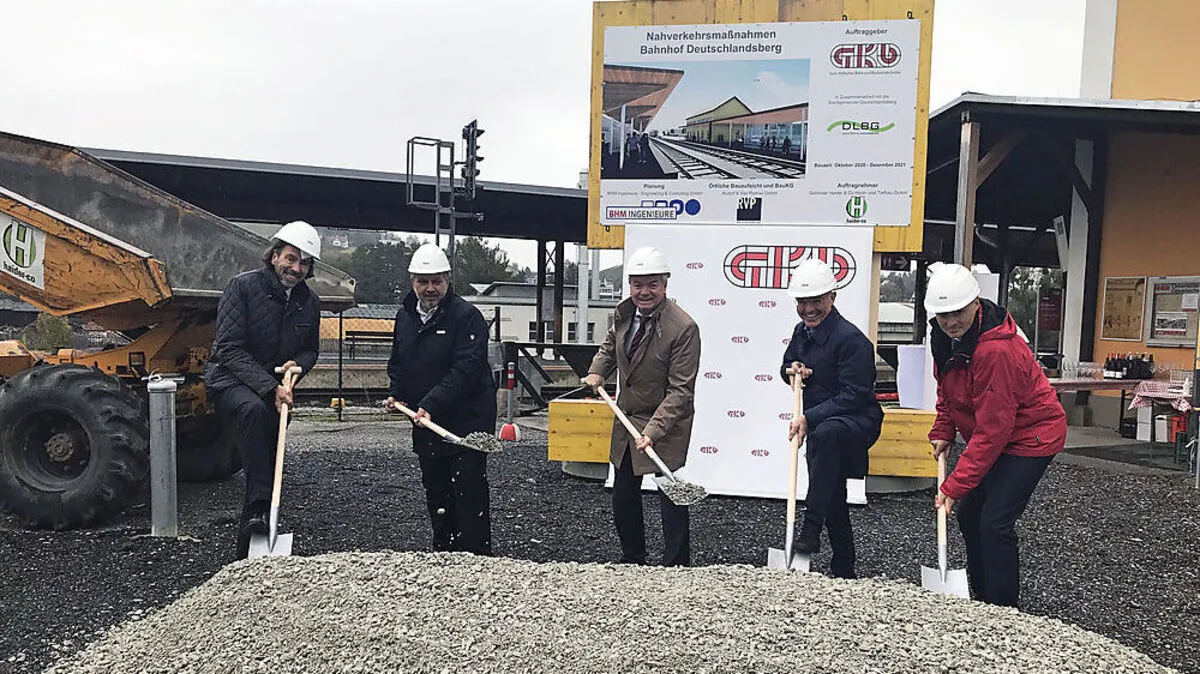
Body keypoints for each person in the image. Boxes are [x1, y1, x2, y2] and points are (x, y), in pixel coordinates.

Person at [925, 262, 1065, 609]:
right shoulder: (944, 338)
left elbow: (993, 431)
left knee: (994, 522)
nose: (950, 322)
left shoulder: (996, 350)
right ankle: (982, 599)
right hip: (997, 434)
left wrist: (953, 486)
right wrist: (944, 428)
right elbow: (948, 390)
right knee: (969, 516)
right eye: (943, 315)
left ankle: (1004, 608)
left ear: (976, 303)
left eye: (957, 312)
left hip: (1032, 436)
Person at [204, 220, 323, 559]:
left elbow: (311, 349)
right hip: (230, 378)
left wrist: (297, 366)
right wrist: (271, 388)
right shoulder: (242, 287)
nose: (296, 268)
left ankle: (251, 544)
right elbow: (229, 349)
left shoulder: (309, 301)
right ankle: (258, 508)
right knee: (255, 412)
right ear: (274, 256)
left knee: (267, 457)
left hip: (275, 387)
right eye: (291, 258)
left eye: (304, 263)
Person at [582, 246, 701, 567]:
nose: (644, 292)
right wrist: (597, 370)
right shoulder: (624, 313)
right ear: (630, 286)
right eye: (638, 285)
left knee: (670, 491)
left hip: (666, 420)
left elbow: (680, 391)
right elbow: (610, 346)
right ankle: (632, 558)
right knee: (623, 493)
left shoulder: (683, 328)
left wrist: (653, 431)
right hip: (627, 416)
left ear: (665, 284)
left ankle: (676, 564)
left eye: (652, 284)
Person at [385, 243, 496, 555]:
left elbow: (467, 369)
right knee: (437, 492)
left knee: (468, 493)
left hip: (467, 423)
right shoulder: (405, 317)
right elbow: (399, 362)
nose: (430, 288)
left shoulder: (467, 317)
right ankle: (444, 553)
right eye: (423, 281)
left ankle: (476, 557)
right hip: (427, 423)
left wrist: (430, 403)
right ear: (412, 282)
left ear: (448, 280)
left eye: (437, 281)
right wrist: (397, 393)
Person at [779, 258, 883, 579]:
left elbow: (855, 394)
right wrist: (793, 371)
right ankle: (843, 568)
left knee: (826, 437)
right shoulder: (801, 332)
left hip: (857, 421)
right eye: (802, 302)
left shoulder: (852, 340)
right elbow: (787, 366)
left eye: (816, 301)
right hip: (823, 423)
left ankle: (810, 528)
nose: (808, 309)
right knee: (831, 490)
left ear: (832, 297)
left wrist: (809, 418)